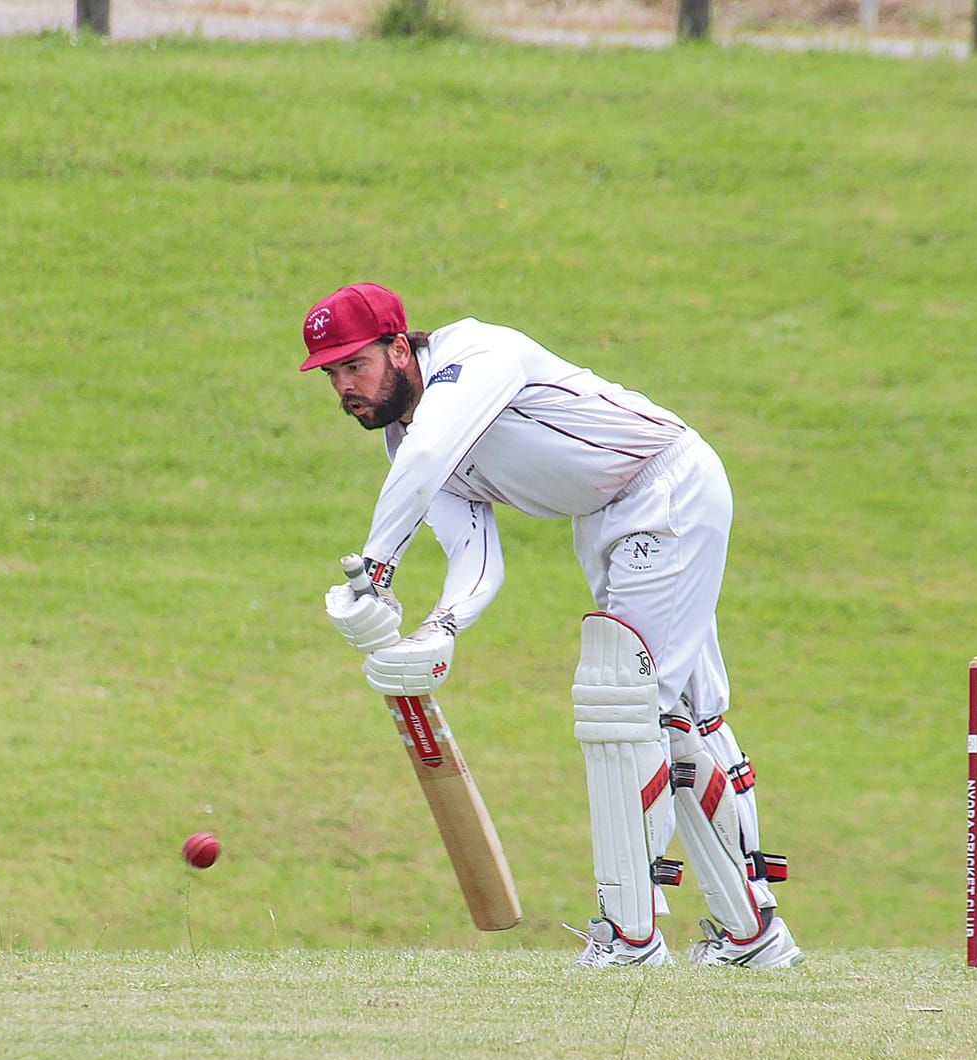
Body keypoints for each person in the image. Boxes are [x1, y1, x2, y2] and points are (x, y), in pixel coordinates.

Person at [302, 283, 800, 968]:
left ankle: (632, 937)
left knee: (624, 707)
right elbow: (475, 557)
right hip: (606, 514)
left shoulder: (477, 356)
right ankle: (751, 936)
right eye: (331, 375)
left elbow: (427, 460)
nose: (343, 388)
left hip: (665, 485)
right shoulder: (403, 440)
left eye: (354, 366)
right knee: (679, 713)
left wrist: (376, 573)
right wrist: (441, 629)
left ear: (399, 348)